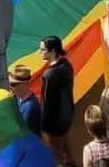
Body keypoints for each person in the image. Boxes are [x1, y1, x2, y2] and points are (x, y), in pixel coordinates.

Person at [40, 36, 74, 166]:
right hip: (66, 118)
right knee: (67, 150)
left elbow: (47, 104)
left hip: (53, 126)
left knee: (56, 157)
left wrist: (44, 128)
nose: (40, 52)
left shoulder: (49, 75)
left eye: (43, 49)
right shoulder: (67, 65)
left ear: (52, 51)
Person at [8, 64, 41, 137]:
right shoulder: (17, 98)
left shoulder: (30, 108)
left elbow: (24, 135)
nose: (10, 87)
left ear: (24, 84)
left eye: (13, 84)